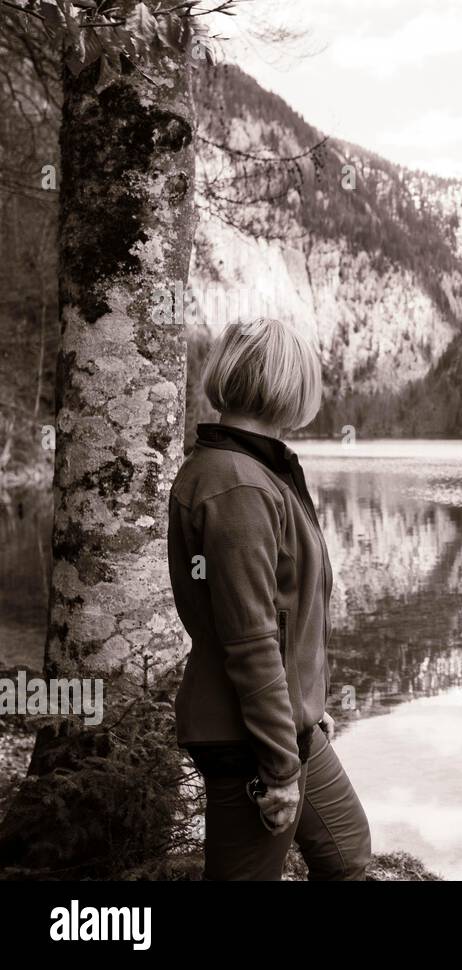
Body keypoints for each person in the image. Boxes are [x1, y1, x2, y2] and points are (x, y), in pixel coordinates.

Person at [167, 317, 371, 880]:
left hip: (284, 722)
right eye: (308, 377)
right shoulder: (239, 486)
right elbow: (251, 640)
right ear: (286, 384)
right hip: (249, 738)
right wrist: (280, 769)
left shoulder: (253, 469)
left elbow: (280, 616)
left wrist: (306, 701)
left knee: (346, 852)